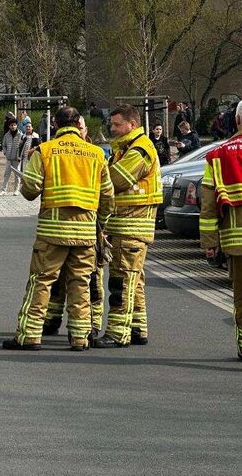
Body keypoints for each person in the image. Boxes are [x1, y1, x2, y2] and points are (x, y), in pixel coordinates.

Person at [4, 107, 114, 351]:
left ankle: (29, 336)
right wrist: (101, 225)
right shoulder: (97, 154)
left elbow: (30, 191)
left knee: (41, 283)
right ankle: (79, 338)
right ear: (78, 124)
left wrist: (27, 183)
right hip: (85, 235)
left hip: (52, 234)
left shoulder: (44, 151)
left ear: (55, 124)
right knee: (80, 284)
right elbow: (107, 197)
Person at [92, 104, 163, 348]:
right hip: (127, 226)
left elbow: (115, 180)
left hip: (131, 227)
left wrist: (92, 174)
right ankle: (137, 328)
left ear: (132, 124)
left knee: (121, 281)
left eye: (117, 124)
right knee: (135, 280)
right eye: (111, 124)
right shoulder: (126, 148)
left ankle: (117, 332)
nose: (113, 128)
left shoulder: (139, 148)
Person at [200, 99, 242, 361]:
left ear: (236, 121)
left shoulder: (219, 155)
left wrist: (209, 241)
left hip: (238, 239)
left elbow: (209, 204)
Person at [42, 116, 108, 337]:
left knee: (92, 283)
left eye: (80, 126)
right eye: (75, 126)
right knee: (60, 281)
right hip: (80, 229)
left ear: (85, 129)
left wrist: (102, 224)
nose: (77, 129)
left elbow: (106, 195)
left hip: (88, 229)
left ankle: (92, 324)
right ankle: (53, 320)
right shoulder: (90, 154)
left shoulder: (95, 153)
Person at [0, 121, 23, 194]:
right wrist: (5, 152)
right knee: (6, 174)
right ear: (9, 126)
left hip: (17, 159)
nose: (13, 126)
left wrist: (20, 156)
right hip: (9, 159)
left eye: (14, 125)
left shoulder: (21, 135)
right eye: (11, 125)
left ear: (16, 125)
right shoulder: (7, 135)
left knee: (17, 175)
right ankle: (4, 190)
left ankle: (16, 190)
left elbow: (22, 147)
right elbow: (3, 145)